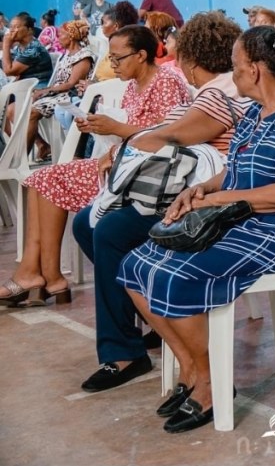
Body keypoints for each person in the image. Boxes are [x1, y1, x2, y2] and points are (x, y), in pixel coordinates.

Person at [116, 25, 275, 433]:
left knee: (172, 275)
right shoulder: (252, 114)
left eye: (235, 68)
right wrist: (200, 190)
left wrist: (217, 201)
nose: (231, 75)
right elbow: (234, 173)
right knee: (134, 267)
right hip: (236, 220)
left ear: (255, 70)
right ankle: (194, 369)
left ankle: (213, 385)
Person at [71, 12, 249, 394]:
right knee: (87, 224)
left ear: (190, 58)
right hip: (190, 187)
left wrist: (127, 145)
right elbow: (164, 133)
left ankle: (124, 352)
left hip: (202, 197)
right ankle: (146, 320)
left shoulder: (218, 94)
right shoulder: (215, 90)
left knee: (108, 230)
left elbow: (168, 137)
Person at [0, 25, 191, 307]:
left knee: (48, 180)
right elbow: (132, 129)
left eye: (118, 58)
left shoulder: (165, 82)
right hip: (123, 160)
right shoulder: (134, 86)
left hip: (144, 174)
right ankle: (42, 273)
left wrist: (115, 129)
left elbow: (169, 134)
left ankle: (44, 277)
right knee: (39, 180)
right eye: (111, 58)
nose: (112, 64)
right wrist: (99, 126)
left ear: (140, 55)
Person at [27, 20, 95, 159]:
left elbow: (70, 84)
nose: (58, 38)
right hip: (58, 93)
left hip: (67, 95)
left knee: (31, 113)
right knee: (23, 107)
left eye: (61, 34)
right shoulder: (66, 55)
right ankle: (42, 145)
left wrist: (44, 91)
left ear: (70, 36)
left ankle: (22, 156)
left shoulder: (83, 56)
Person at [90, 1, 140, 82]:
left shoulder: (125, 51)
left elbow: (121, 82)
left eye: (104, 23)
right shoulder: (113, 46)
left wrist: (93, 87)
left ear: (116, 26)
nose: (102, 27)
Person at [1, 12, 53, 88]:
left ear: (29, 30)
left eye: (16, 27)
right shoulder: (21, 46)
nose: (11, 30)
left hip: (37, 87)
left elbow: (9, 71)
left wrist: (6, 44)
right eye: (11, 27)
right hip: (25, 84)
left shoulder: (33, 49)